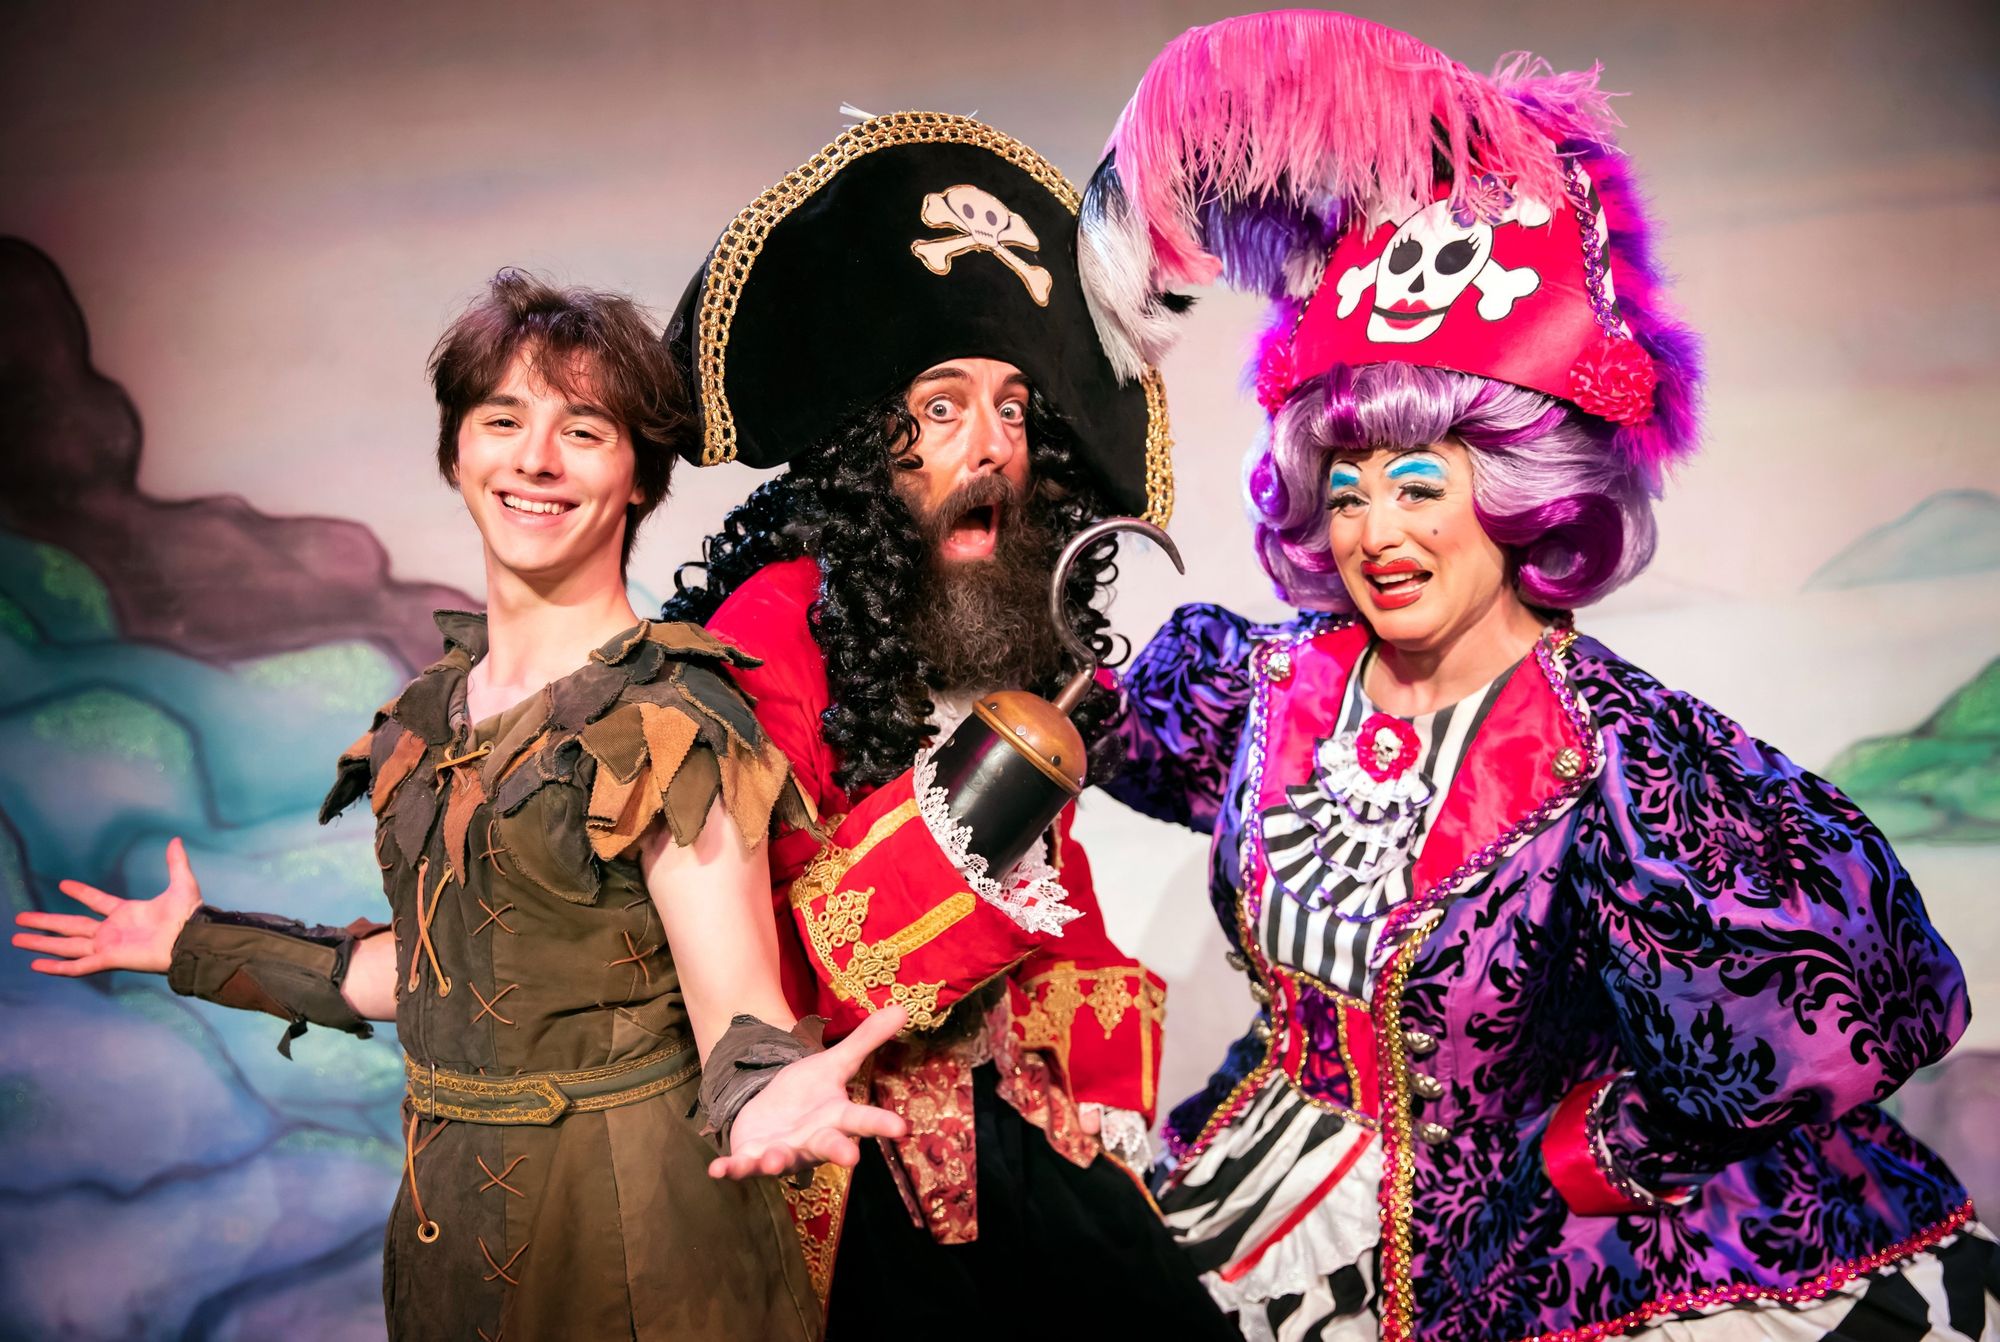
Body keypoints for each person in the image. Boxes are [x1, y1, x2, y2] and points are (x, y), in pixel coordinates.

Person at [1077, 12, 1995, 1342]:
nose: (1376, 531)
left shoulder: (1617, 755)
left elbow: (1873, 988)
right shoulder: (1262, 688)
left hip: (1509, 1256)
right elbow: (1091, 733)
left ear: (1514, 490)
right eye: (1346, 488)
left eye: (1416, 484)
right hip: (1243, 1192)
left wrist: (1615, 1143)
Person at [12, 270, 906, 1342]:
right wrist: (195, 947)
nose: (536, 458)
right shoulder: (428, 715)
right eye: (503, 420)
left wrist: (769, 1096)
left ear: (638, 479)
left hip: (641, 1249)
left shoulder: (670, 718)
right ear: (456, 453)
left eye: (584, 431)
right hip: (453, 1238)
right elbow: (435, 973)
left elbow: (740, 1015)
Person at [658, 112, 1233, 1341]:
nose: (990, 447)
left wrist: (1091, 1083)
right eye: (941, 407)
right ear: (869, 445)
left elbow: (1060, 895)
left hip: (1014, 1121)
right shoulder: (770, 627)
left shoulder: (992, 626)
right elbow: (759, 929)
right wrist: (970, 809)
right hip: (842, 1139)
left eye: (1014, 410)